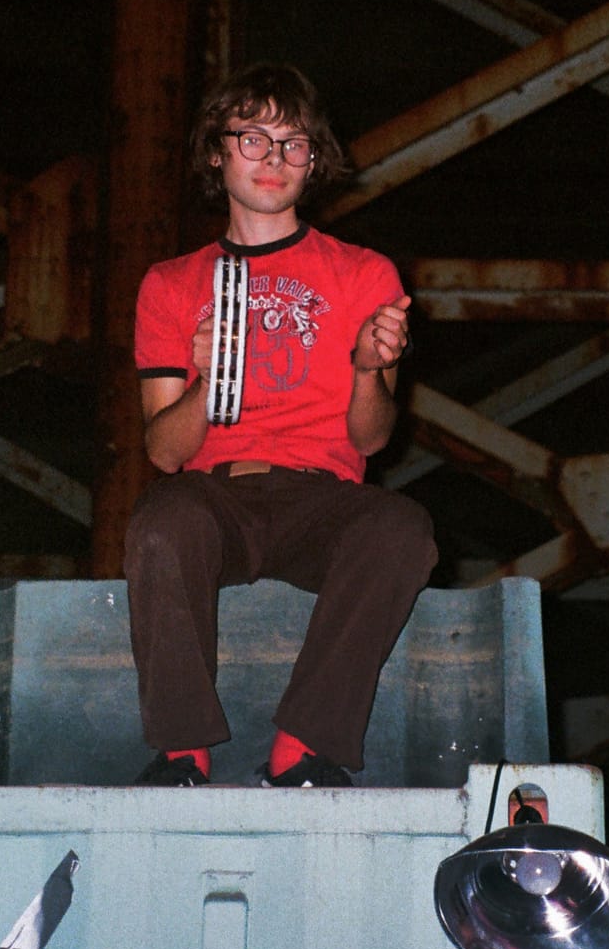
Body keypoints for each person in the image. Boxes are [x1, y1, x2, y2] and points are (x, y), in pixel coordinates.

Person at [126, 63, 438, 788]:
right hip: (214, 496)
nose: (273, 159)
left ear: (314, 160)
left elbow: (371, 440)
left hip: (321, 496)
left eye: (293, 144)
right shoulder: (170, 284)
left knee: (401, 527)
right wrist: (208, 381)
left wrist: (367, 367)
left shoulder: (363, 274)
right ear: (216, 151)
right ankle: (181, 756)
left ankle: (302, 751)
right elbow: (163, 453)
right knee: (160, 523)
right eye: (253, 138)